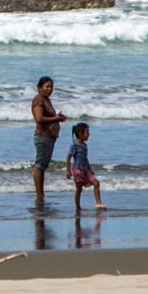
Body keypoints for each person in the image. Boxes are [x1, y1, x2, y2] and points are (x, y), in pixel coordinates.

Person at [29, 77, 67, 206]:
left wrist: (57, 118)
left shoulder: (46, 100)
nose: (50, 89)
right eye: (47, 86)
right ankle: (39, 195)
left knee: (43, 166)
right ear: (40, 88)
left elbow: (49, 117)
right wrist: (56, 118)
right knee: (39, 166)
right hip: (43, 136)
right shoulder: (38, 100)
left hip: (49, 137)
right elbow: (39, 118)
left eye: (51, 86)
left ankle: (41, 194)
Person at [65, 121, 104, 214]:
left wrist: (90, 169)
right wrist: (68, 170)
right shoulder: (74, 145)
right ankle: (78, 207)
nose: (89, 134)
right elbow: (68, 157)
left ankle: (99, 203)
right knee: (79, 189)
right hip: (77, 170)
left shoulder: (85, 145)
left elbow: (85, 159)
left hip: (85, 170)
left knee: (96, 183)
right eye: (87, 132)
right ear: (80, 133)